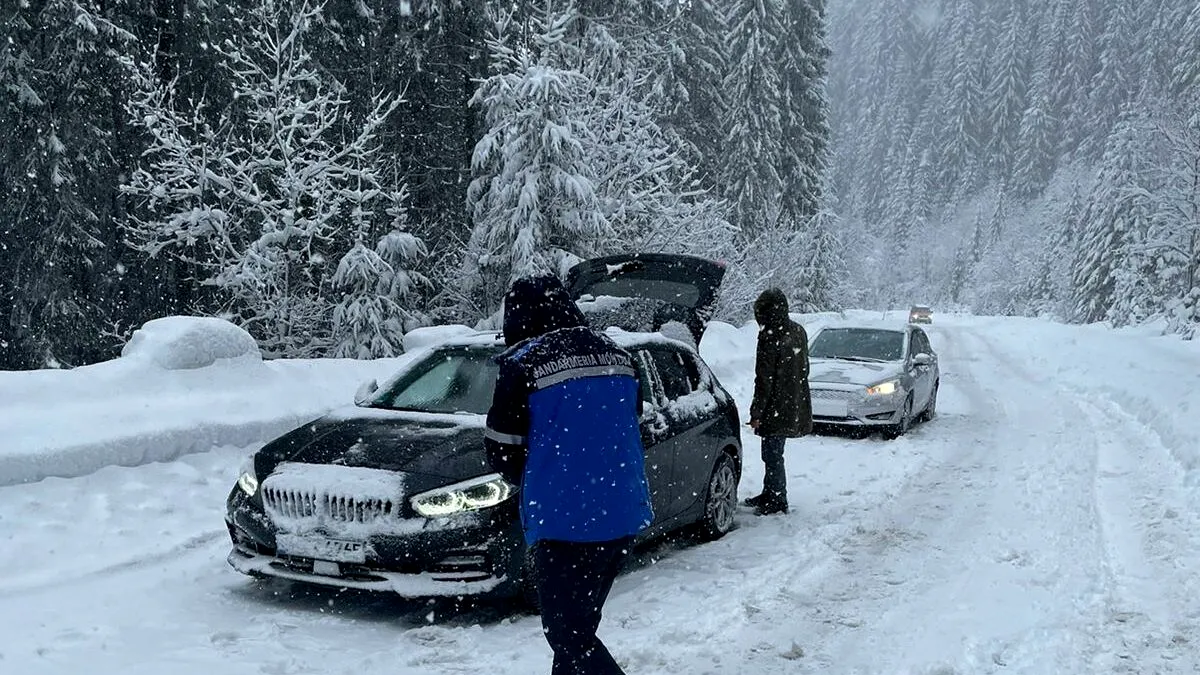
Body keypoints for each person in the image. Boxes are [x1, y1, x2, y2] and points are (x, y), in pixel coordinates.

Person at [484, 274, 653, 675]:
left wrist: (541, 467)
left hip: (566, 521)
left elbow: (502, 451)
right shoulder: (619, 355)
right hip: (623, 512)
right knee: (577, 630)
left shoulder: (522, 364)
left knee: (569, 636)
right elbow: (632, 422)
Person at [744, 288, 812, 516]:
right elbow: (804, 368)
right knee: (774, 450)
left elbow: (764, 378)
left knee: (772, 453)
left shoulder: (770, 336)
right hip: (793, 401)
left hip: (775, 404)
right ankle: (770, 492)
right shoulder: (798, 331)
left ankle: (776, 499)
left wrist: (756, 412)